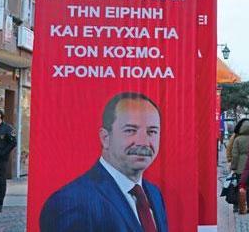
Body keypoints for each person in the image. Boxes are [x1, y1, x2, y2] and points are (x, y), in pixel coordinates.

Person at [40, 92, 168, 232]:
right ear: (105, 138)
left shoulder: (154, 194)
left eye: (152, 132)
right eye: (130, 130)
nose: (143, 142)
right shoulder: (70, 202)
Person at [231, 118, 249, 214]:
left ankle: (242, 209)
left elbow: (235, 155)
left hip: (241, 168)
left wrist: (233, 167)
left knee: (241, 187)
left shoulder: (238, 139)